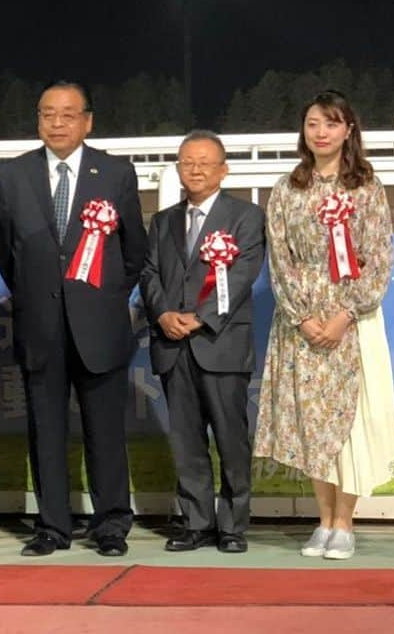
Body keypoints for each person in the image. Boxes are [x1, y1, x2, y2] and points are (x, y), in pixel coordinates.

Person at [0, 81, 147, 557]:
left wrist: (98, 297)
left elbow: (134, 250)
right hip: (40, 324)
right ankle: (52, 526)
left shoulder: (116, 173)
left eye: (67, 114)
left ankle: (111, 524)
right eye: (47, 114)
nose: (57, 123)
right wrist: (38, 293)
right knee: (46, 429)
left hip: (98, 325)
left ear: (88, 121)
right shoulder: (13, 174)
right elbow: (4, 246)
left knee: (104, 430)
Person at [254, 90, 394, 560]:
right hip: (302, 322)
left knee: (348, 423)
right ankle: (322, 520)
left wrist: (344, 315)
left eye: (331, 124)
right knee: (312, 425)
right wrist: (304, 317)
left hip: (352, 321)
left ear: (349, 131)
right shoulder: (286, 189)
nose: (321, 133)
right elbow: (281, 259)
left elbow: (378, 257)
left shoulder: (367, 188)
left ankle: (345, 522)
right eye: (313, 124)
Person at [140, 130, 265, 554]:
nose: (194, 169)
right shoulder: (162, 221)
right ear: (177, 168)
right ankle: (196, 522)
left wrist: (201, 318)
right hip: (173, 347)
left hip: (222, 344)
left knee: (232, 439)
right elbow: (149, 274)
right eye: (186, 162)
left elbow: (245, 274)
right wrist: (162, 314)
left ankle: (232, 525)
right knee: (186, 441)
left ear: (223, 170)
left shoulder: (245, 217)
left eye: (204, 162)